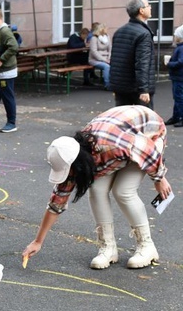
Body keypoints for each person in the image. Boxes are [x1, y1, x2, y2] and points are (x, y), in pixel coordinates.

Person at [22, 105, 172, 270]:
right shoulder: (73, 158)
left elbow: (146, 149)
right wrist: (38, 241)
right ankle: (108, 247)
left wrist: (159, 178)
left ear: (78, 164)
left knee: (123, 191)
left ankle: (147, 246)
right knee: (97, 189)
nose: (69, 176)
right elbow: (56, 203)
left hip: (148, 131)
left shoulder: (112, 146)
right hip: (123, 140)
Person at [109, 0, 155, 108]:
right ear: (141, 11)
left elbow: (115, 61)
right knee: (144, 121)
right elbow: (142, 63)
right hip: (137, 89)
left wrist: (115, 86)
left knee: (124, 122)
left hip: (121, 87)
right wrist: (143, 89)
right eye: (148, 5)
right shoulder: (143, 34)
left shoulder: (119, 32)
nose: (151, 7)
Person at [164, 25, 183, 127]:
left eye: (175, 35)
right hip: (177, 76)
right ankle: (176, 116)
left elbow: (181, 62)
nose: (174, 37)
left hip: (179, 76)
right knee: (177, 97)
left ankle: (180, 117)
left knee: (179, 98)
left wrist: (169, 64)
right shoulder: (179, 48)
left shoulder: (181, 48)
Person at [88, 23, 112, 90]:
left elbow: (110, 49)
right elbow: (94, 52)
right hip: (94, 59)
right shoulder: (94, 38)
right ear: (101, 29)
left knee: (116, 64)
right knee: (107, 66)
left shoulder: (107, 37)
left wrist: (109, 57)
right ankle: (107, 85)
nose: (107, 29)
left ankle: (115, 83)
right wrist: (104, 60)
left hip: (107, 57)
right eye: (106, 28)